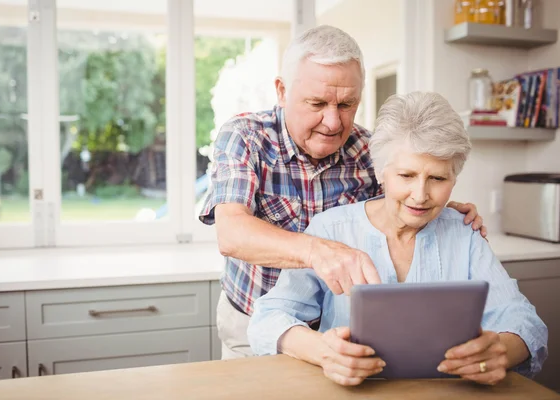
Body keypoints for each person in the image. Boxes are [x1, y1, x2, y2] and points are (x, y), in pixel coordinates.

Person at [199, 25, 486, 360]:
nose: (333, 122)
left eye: (347, 104)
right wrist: (318, 252)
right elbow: (232, 233)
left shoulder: (369, 149)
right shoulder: (245, 137)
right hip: (253, 323)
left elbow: (402, 203)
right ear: (282, 91)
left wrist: (443, 206)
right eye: (317, 103)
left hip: (338, 328)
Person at [247, 91, 548, 386]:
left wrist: (501, 351)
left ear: (454, 179)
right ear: (381, 172)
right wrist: (323, 351)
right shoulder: (331, 229)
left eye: (438, 179)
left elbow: (524, 321)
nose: (420, 195)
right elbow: (269, 317)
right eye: (406, 175)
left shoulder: (464, 232)